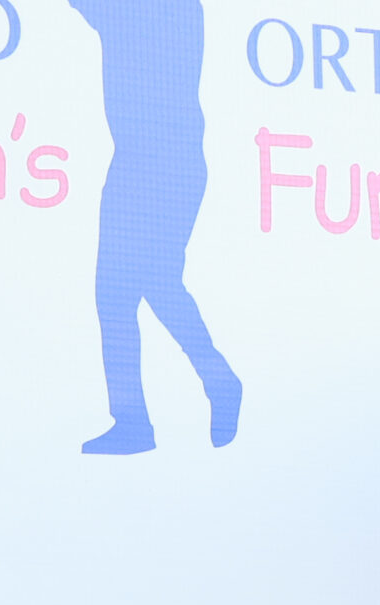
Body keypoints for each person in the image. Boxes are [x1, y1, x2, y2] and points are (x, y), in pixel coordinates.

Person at [72, 0, 242, 455]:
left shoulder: (133, 10)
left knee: (121, 292)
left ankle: (141, 417)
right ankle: (212, 382)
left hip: (148, 164)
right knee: (156, 283)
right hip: (169, 161)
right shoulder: (180, 9)